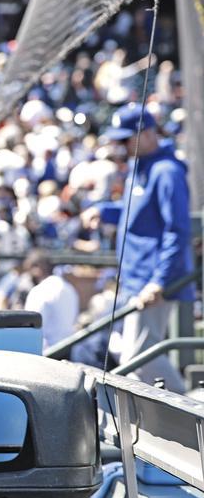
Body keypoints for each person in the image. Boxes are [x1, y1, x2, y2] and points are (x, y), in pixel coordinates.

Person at [87, 103, 193, 393]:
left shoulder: (167, 170)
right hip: (136, 279)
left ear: (147, 133)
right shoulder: (142, 167)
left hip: (153, 281)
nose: (122, 146)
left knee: (139, 357)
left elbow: (177, 229)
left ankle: (192, 413)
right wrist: (106, 212)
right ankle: (151, 429)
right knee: (134, 364)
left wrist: (159, 281)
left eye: (126, 138)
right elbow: (136, 210)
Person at [21, 251, 80, 353]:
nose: (27, 277)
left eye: (28, 271)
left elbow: (30, 330)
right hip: (69, 352)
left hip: (46, 356)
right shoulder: (69, 288)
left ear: (37, 269)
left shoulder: (39, 291)